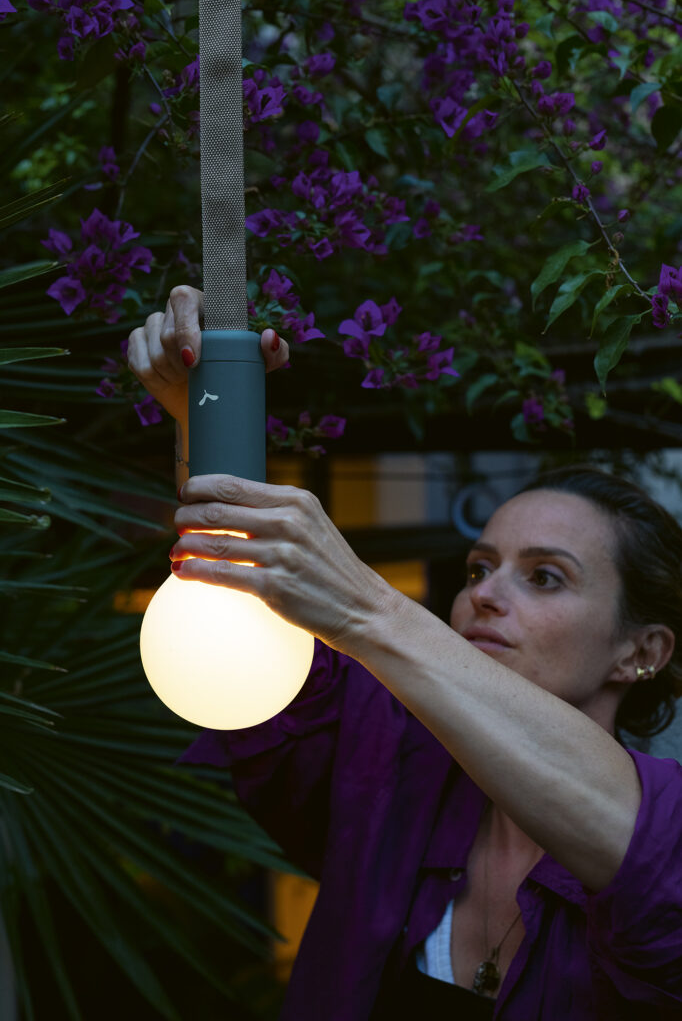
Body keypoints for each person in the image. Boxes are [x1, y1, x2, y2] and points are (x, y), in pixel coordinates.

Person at [128, 285, 682, 1020]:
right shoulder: (387, 762)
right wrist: (203, 412)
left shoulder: (664, 822)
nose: (484, 595)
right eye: (478, 569)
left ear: (642, 650)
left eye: (545, 576)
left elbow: (646, 855)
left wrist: (369, 606)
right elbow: (244, 617)